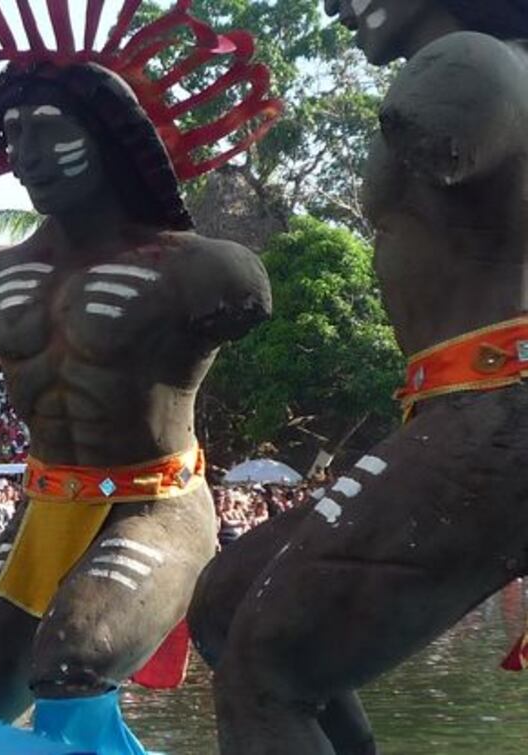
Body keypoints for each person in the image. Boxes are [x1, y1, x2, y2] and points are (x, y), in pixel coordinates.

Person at [0, 3, 277, 750]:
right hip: (41, 507)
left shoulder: (203, 271)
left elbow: (244, 299)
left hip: (158, 506)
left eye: (50, 128)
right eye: (14, 133)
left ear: (110, 139)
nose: (28, 152)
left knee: (73, 657)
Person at [189, 2, 528, 752]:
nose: (337, 6)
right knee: (226, 602)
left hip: (497, 413)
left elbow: (459, 121)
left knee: (266, 666)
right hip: (464, 411)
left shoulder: (473, 63)